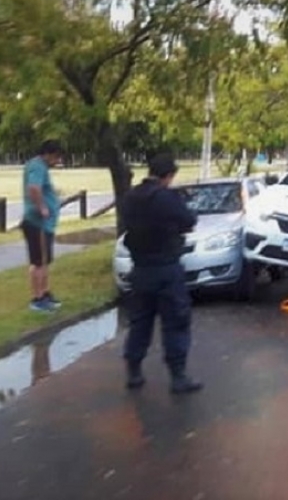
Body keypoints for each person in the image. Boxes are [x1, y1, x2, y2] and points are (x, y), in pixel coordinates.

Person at [121, 153, 202, 394]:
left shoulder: (130, 197)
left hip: (140, 269)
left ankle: (133, 371)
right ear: (168, 176)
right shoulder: (166, 197)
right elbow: (189, 220)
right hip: (166, 267)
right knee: (175, 321)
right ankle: (178, 376)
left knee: (140, 322)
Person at [22, 139, 64, 313]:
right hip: (37, 223)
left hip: (45, 225)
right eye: (56, 157)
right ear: (48, 154)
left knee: (45, 261)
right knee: (38, 262)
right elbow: (33, 188)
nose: (57, 161)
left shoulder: (42, 168)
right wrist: (42, 207)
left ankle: (45, 294)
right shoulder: (37, 166)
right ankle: (37, 299)